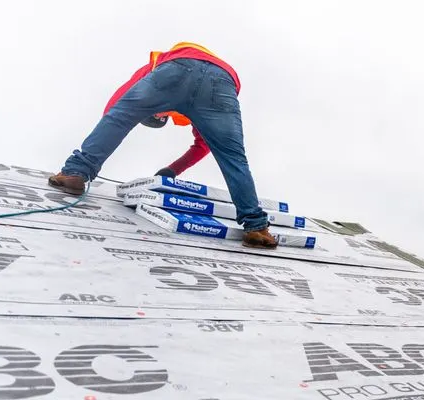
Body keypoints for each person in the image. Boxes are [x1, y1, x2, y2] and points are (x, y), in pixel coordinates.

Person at [47, 42, 278, 249]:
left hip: (179, 67)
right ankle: (256, 227)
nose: (158, 114)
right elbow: (204, 145)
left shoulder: (154, 69)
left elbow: (116, 110)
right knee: (233, 155)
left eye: (158, 116)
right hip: (222, 81)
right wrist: (173, 170)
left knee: (120, 116)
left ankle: (75, 172)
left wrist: (172, 169)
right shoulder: (192, 111)